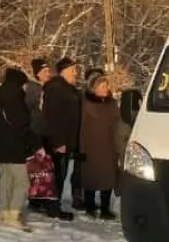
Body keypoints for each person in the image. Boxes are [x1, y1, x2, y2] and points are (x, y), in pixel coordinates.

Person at [0, 67, 39, 232]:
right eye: (25, 84)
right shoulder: (15, 99)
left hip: (1, 146)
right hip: (15, 146)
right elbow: (22, 125)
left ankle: (5, 213)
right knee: (22, 182)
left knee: (6, 180)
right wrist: (36, 143)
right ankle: (14, 214)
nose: (26, 88)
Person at [40, 57, 82, 220]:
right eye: (72, 70)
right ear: (63, 71)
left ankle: (52, 204)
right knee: (57, 174)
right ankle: (53, 207)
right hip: (58, 141)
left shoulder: (67, 88)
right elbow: (53, 117)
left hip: (66, 140)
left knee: (60, 174)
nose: (75, 73)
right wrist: (59, 142)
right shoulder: (57, 89)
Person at [79, 71, 121, 219]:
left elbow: (117, 125)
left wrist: (118, 145)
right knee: (90, 177)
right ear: (94, 88)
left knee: (108, 178)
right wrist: (82, 149)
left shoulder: (112, 104)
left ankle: (104, 208)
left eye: (106, 85)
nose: (105, 88)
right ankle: (90, 206)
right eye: (102, 86)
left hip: (108, 146)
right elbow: (82, 128)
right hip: (91, 147)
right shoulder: (86, 104)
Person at [24, 58, 51, 138]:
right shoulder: (33, 89)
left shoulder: (48, 88)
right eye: (44, 71)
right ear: (38, 74)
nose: (48, 74)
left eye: (48, 71)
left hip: (47, 134)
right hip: (37, 135)